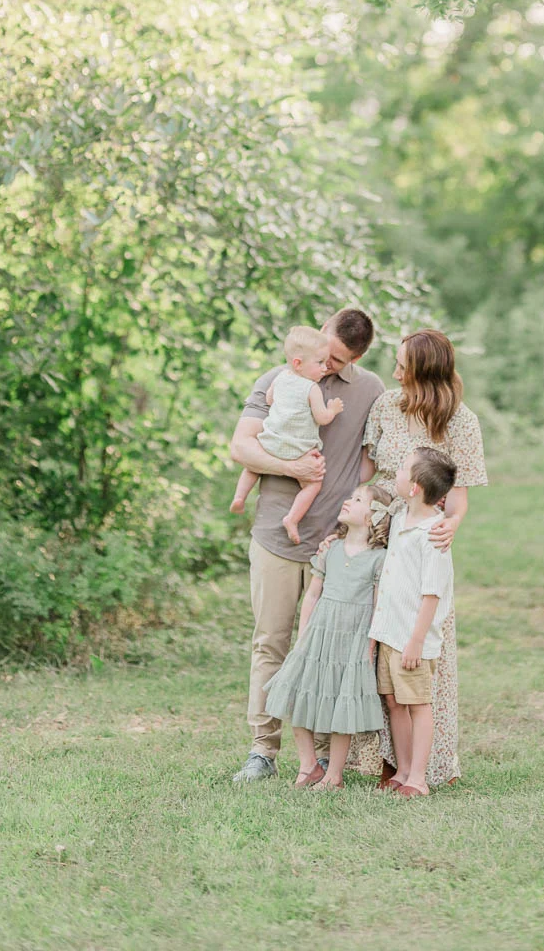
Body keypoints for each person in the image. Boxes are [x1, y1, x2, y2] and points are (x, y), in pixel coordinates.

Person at [229, 307, 384, 784]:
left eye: (342, 361)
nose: (331, 365)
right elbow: (242, 447)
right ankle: (262, 750)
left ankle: (318, 754)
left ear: (356, 357)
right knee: (271, 642)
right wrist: (295, 470)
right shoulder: (280, 376)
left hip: (337, 546)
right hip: (277, 535)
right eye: (328, 354)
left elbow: (370, 457)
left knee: (326, 648)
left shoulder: (370, 390)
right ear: (320, 334)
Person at [356, 328, 487, 787]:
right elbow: (367, 471)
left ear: (425, 372)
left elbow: (459, 496)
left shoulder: (461, 421)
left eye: (402, 365)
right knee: (380, 649)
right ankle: (384, 759)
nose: (394, 373)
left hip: (422, 537)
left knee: (418, 646)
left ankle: (424, 768)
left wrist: (452, 524)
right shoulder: (388, 406)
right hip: (378, 530)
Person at [263, 481, 395, 790]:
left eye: (358, 498)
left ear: (372, 517)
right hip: (319, 633)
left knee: (342, 705)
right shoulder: (331, 548)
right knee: (297, 691)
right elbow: (312, 596)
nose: (348, 500)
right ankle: (308, 764)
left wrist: (371, 642)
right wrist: (303, 634)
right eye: (351, 495)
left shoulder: (378, 558)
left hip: (353, 640)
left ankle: (334, 775)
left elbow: (378, 604)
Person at [369, 447, 457, 798]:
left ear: (415, 486)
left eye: (403, 468)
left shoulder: (433, 534)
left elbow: (432, 593)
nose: (398, 472)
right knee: (393, 703)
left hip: (411, 638)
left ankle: (418, 779)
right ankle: (403, 769)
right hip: (389, 632)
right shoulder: (401, 517)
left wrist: (417, 641)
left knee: (418, 705)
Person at [229, 326, 344, 544]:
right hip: (299, 451)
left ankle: (239, 496)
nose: (325, 367)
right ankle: (292, 519)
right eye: (319, 363)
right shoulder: (312, 389)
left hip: (272, 443)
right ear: (298, 363)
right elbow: (321, 418)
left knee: (253, 466)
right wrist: (333, 409)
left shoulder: (280, 377)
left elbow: (270, 399)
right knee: (313, 485)